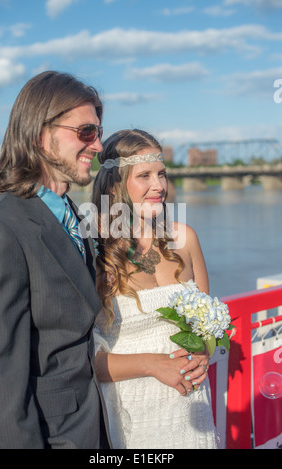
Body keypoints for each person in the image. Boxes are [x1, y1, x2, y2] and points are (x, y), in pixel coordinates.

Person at [0, 71, 111, 449]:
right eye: (86, 132)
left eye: (99, 132)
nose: (98, 145)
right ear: (40, 135)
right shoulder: (0, 228)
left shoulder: (71, 214)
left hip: (96, 428)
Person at [92, 129, 218, 449]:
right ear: (115, 183)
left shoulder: (185, 238)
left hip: (192, 406)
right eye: (145, 175)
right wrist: (153, 363)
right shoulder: (94, 253)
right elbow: (80, 361)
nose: (159, 186)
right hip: (133, 415)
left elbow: (209, 325)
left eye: (161, 174)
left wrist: (204, 352)